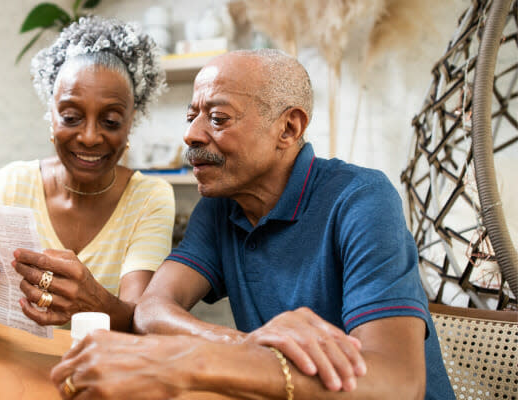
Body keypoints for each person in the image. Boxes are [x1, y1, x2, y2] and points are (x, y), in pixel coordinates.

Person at [50, 49, 454, 399]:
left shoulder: (361, 199)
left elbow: (397, 384)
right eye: (193, 117)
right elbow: (152, 310)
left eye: (218, 118)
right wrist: (245, 346)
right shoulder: (221, 203)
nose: (191, 135)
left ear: (288, 128)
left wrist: (193, 360)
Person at [0, 17, 174, 332]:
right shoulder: (14, 182)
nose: (89, 136)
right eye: (71, 117)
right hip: (0, 367)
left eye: (110, 121)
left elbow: (139, 322)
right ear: (51, 116)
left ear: (130, 123)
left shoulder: (149, 196)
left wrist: (92, 300)